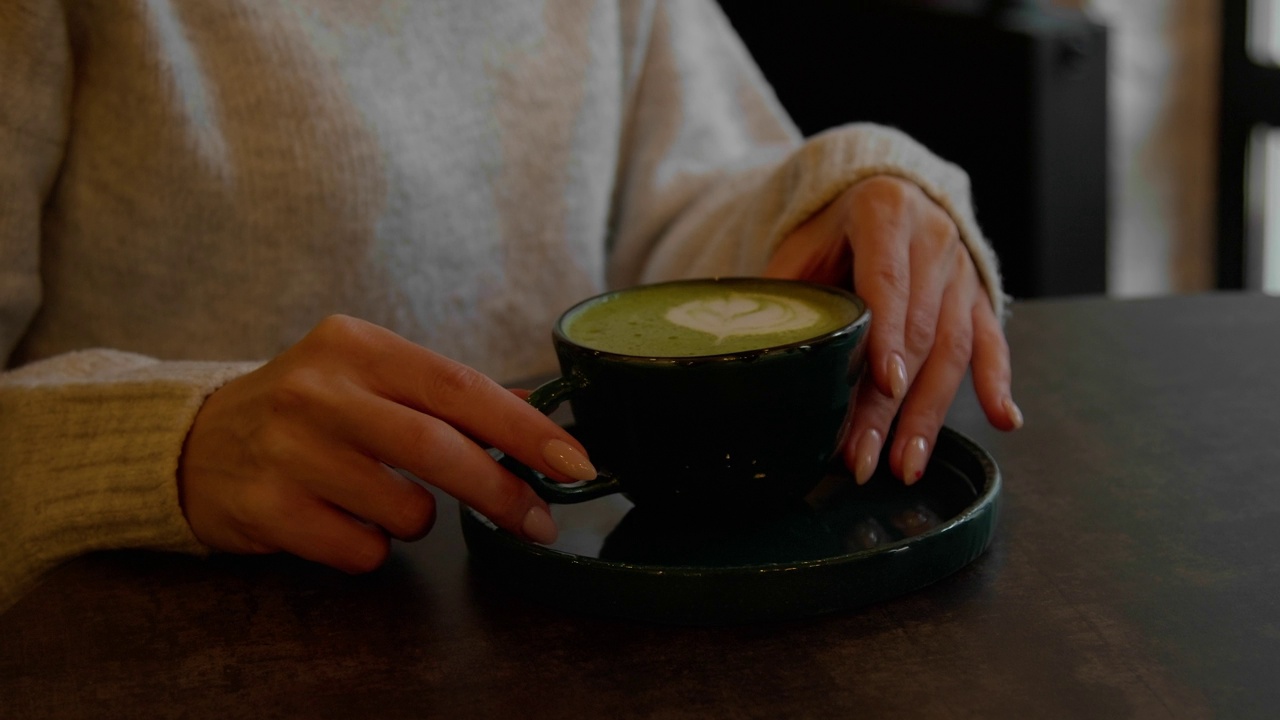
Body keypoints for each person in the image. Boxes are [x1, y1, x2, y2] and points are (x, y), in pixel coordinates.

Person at [0, 0, 1022, 612]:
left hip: (579, 633)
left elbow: (694, 209)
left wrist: (858, 187)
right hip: (207, 645)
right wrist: (161, 444)